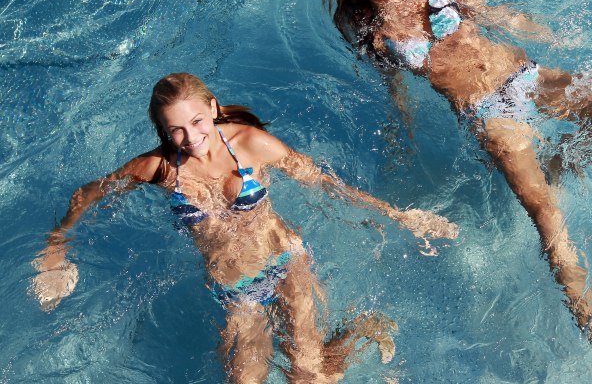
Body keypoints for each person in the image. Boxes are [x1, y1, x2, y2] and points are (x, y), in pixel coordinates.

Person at [320, 0, 592, 380]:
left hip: (527, 77)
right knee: (544, 212)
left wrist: (552, 35)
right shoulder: (380, 37)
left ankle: (562, 161)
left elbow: (497, 15)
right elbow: (396, 89)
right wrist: (401, 128)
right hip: (489, 114)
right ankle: (591, 326)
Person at [31, 72, 458, 383]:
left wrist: (400, 216)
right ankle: (356, 334)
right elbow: (88, 194)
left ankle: (354, 337)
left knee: (305, 374)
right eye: (174, 129)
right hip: (234, 288)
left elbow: (327, 184)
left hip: (286, 260)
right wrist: (56, 249)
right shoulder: (157, 168)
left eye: (197, 122)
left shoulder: (252, 144)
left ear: (213, 108)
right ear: (161, 131)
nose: (191, 136)